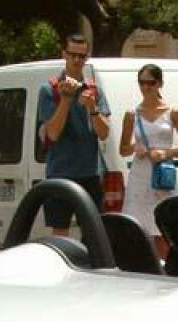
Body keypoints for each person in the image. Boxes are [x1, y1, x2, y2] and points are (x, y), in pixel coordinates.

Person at [36, 32, 110, 235]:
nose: (77, 60)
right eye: (73, 55)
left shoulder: (94, 90)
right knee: (61, 234)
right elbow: (53, 134)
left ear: (87, 58)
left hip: (90, 174)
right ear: (64, 55)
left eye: (82, 56)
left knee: (95, 233)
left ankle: (92, 267)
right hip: (61, 173)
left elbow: (104, 133)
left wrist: (93, 108)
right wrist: (66, 99)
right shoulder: (48, 89)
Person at [119, 64, 178, 260]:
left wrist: (166, 153)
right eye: (141, 83)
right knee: (139, 227)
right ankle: (144, 268)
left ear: (159, 83)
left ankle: (164, 270)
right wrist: (135, 147)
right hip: (140, 175)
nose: (145, 87)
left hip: (162, 173)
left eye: (150, 83)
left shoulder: (173, 112)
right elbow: (123, 149)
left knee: (163, 227)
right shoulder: (131, 114)